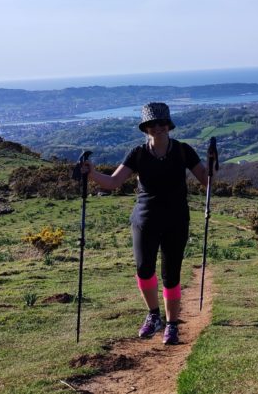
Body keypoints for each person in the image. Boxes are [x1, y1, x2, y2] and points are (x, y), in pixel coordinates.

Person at [81, 102, 208, 345]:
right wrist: (92, 174)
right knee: (144, 269)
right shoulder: (137, 153)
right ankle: (153, 316)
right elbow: (114, 182)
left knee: (171, 275)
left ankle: (171, 325)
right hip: (144, 221)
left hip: (176, 221)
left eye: (161, 123)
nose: (157, 127)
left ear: (168, 125)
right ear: (145, 128)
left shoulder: (183, 151)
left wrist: (213, 165)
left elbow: (206, 179)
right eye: (152, 124)